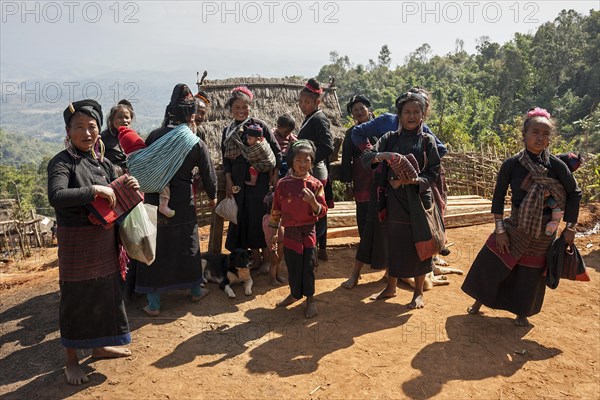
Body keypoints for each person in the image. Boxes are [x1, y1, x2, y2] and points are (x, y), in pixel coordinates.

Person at [462, 107, 582, 326]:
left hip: (545, 231)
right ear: (524, 135)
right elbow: (498, 198)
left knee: (530, 272)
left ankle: (522, 313)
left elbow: (574, 194)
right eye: (535, 132)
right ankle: (480, 301)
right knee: (495, 263)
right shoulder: (511, 165)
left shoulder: (557, 166)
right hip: (515, 225)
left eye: (545, 134)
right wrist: (500, 230)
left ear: (550, 139)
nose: (540, 137)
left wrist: (570, 227)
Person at [48, 99, 139, 385]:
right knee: (76, 300)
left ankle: (100, 347)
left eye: (92, 127)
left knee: (105, 294)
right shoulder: (62, 163)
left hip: (104, 241)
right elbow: (57, 196)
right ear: (68, 130)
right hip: (76, 245)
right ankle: (71, 361)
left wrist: (130, 183)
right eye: (79, 127)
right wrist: (93, 190)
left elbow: (118, 184)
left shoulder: (103, 162)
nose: (87, 133)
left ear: (99, 130)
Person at [135, 84, 217, 316]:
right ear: (191, 115)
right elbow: (209, 173)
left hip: (153, 199)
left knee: (155, 246)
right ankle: (195, 291)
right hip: (182, 201)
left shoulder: (154, 136)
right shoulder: (194, 142)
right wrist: (213, 197)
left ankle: (153, 303)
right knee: (186, 244)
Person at [362, 92, 441, 308]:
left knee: (420, 246)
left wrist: (414, 181)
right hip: (394, 201)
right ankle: (390, 287)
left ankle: (418, 293)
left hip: (419, 202)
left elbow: (433, 172)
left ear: (423, 115)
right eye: (407, 112)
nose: (412, 116)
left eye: (416, 111)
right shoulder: (389, 139)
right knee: (395, 245)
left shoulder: (427, 141)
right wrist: (385, 156)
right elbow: (366, 158)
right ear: (399, 115)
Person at [221, 86, 282, 270]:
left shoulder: (259, 126)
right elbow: (226, 159)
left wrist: (275, 174)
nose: (241, 110)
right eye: (236, 107)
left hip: (259, 181)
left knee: (259, 217)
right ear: (230, 108)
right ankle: (254, 257)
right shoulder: (228, 131)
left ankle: (266, 258)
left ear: (250, 107)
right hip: (239, 182)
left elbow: (276, 152)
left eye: (244, 107)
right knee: (244, 218)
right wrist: (229, 180)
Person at [269, 140, 328, 318]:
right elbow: (276, 210)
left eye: (307, 160)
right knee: (293, 266)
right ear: (291, 161)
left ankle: (310, 299)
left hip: (309, 231)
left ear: (312, 161)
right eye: (298, 160)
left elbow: (322, 211)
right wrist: (273, 233)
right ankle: (294, 294)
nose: (303, 164)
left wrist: (312, 202)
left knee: (308, 265)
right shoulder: (282, 184)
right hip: (291, 233)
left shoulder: (316, 184)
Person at [339, 94, 384, 289]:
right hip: (361, 175)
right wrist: (348, 181)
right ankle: (367, 249)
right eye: (355, 109)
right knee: (365, 212)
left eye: (361, 107)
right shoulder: (351, 133)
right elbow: (347, 158)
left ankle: (382, 253)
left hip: (382, 174)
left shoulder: (381, 128)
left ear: (368, 108)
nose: (358, 111)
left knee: (383, 210)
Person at [297, 78, 334, 262]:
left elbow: (327, 146)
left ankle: (317, 249)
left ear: (317, 102)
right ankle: (319, 248)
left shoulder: (319, 119)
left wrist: (309, 163)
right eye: (301, 102)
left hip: (316, 172)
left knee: (317, 209)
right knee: (315, 208)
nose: (303, 105)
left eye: (307, 102)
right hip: (312, 170)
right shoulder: (310, 118)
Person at [117, 126, 178, 217]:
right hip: (156, 182)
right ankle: (163, 206)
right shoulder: (145, 153)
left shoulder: (129, 159)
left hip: (141, 186)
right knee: (165, 187)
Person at [100, 99, 135, 175]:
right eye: (120, 117)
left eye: (127, 117)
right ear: (112, 120)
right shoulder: (103, 138)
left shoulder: (134, 137)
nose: (124, 120)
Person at [262, 191, 285, 285]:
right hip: (273, 243)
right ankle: (272, 279)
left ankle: (277, 276)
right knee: (274, 261)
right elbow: (271, 234)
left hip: (280, 241)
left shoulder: (278, 217)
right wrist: (273, 247)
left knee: (279, 260)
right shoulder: (268, 219)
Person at [272, 114, 297, 178]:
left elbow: (296, 142)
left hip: (286, 158)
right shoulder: (272, 135)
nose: (287, 134)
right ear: (279, 127)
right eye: (286, 132)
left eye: (290, 132)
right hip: (276, 157)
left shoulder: (290, 135)